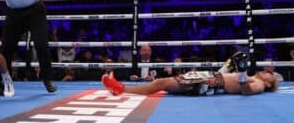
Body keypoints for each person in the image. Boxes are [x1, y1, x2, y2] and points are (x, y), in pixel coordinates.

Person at [102, 52, 279, 96]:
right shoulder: (253, 76)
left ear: (270, 84)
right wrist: (230, 64)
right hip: (211, 78)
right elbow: (221, 75)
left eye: (271, 75)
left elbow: (246, 91)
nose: (267, 71)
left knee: (162, 83)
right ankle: (121, 88)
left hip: (210, 83)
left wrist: (241, 71)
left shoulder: (260, 84)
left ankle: (121, 89)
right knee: (163, 82)